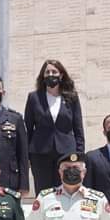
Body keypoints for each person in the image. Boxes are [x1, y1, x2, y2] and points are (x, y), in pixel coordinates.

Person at [24, 59, 85, 192]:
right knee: (43, 191)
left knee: (66, 190)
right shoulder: (34, 97)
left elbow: (78, 128)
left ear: (61, 75)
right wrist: (26, 156)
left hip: (66, 153)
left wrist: (80, 155)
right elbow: (27, 128)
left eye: (54, 72)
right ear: (43, 76)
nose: (51, 75)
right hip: (40, 153)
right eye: (47, 72)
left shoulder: (71, 97)